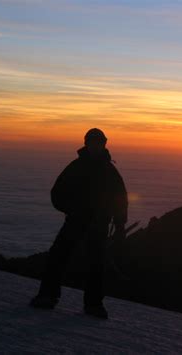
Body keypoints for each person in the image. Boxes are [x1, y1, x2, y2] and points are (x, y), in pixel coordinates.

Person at [29, 128, 128, 319]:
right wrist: (72, 210)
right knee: (58, 256)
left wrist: (120, 224)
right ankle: (48, 296)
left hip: (98, 225)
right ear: (86, 143)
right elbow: (57, 193)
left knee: (95, 265)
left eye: (99, 142)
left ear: (104, 144)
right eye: (92, 142)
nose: (95, 146)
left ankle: (94, 305)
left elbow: (120, 199)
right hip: (76, 222)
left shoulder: (109, 171)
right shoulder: (77, 167)